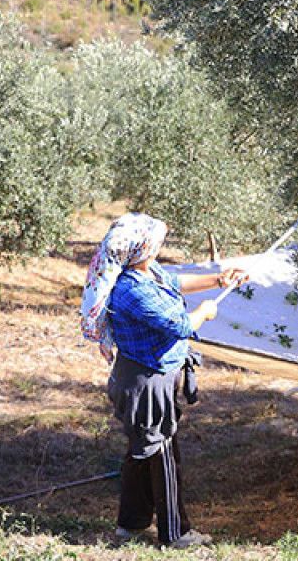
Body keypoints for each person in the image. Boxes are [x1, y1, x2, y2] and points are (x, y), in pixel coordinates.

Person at [79, 212, 248, 548]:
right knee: (162, 453)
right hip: (145, 381)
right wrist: (206, 312)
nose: (159, 248)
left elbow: (175, 281)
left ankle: (131, 524)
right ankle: (176, 534)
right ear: (142, 249)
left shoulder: (146, 272)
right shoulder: (130, 291)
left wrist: (218, 279)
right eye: (155, 243)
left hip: (149, 375)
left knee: (141, 451)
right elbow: (182, 325)